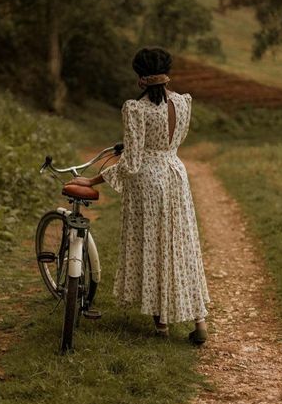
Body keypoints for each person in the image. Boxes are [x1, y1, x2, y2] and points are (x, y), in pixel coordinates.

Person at [68, 47, 210, 344]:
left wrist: (94, 178)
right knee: (181, 244)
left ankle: (162, 325)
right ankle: (200, 321)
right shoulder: (183, 103)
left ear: (140, 77)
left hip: (149, 182)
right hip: (176, 175)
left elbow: (132, 164)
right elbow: (170, 143)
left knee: (154, 245)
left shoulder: (137, 109)